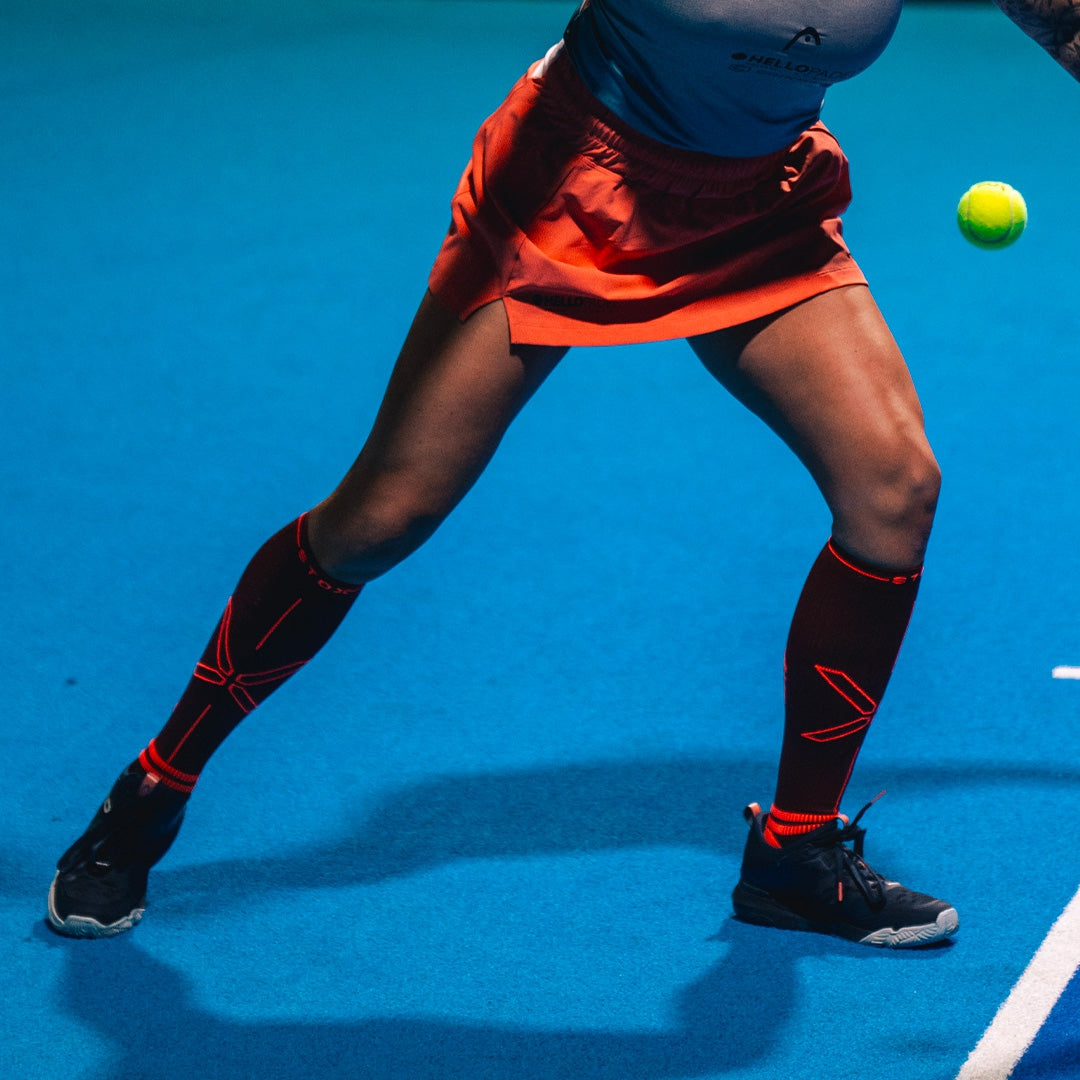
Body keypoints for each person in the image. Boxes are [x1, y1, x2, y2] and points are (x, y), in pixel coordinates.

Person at [45, 0, 1078, 947]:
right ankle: (153, 787)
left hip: (759, 196)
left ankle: (794, 853)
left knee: (894, 489)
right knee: (382, 518)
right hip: (571, 188)